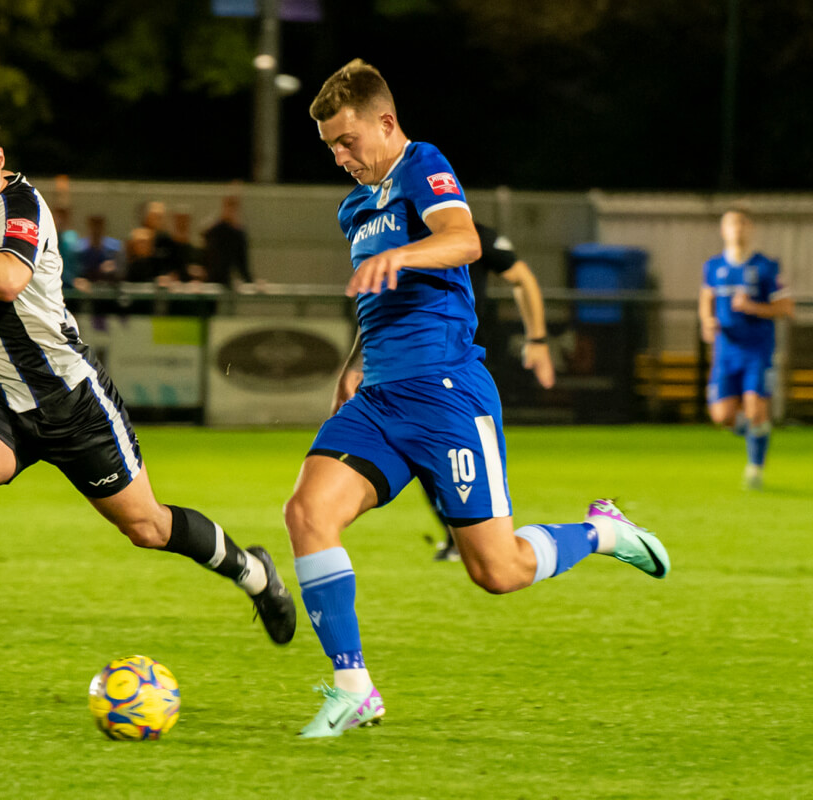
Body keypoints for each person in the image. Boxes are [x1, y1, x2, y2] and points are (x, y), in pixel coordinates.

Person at [285, 59, 671, 738]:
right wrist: (351, 367)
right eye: (330, 148)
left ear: (386, 121)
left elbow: (463, 240)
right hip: (379, 398)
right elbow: (380, 303)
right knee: (307, 513)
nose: (340, 157)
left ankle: (604, 532)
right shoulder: (354, 207)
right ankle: (354, 688)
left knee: (497, 571)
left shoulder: (421, 164)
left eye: (347, 141)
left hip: (446, 395)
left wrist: (402, 256)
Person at [0, 100, 295, 691]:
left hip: (72, 405)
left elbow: (6, 278)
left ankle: (254, 572)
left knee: (148, 527)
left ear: (0, 160)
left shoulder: (20, 205)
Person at [428, 221, 556, 561]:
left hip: (464, 368)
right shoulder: (391, 230)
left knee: (464, 458)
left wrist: (538, 340)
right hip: (412, 374)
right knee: (424, 460)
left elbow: (522, 278)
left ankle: (597, 534)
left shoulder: (474, 234)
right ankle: (458, 536)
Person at [698, 206, 794, 489]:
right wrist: (707, 321)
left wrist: (752, 306)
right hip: (726, 351)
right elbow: (706, 298)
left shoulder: (766, 266)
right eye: (731, 223)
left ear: (750, 228)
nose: (737, 229)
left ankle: (755, 468)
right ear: (723, 230)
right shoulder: (714, 267)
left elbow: (786, 307)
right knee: (722, 416)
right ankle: (757, 431)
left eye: (742, 223)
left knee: (755, 409)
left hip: (757, 351)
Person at [202, 195, 254, 287]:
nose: (230, 211)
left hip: (227, 280)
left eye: (233, 207)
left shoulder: (239, 233)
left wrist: (251, 281)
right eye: (228, 206)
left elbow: (242, 262)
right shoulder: (215, 230)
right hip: (210, 278)